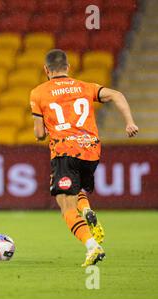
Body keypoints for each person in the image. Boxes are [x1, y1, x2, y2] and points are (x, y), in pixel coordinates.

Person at [30, 49, 139, 266]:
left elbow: (40, 134)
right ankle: (86, 208)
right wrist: (129, 122)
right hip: (91, 151)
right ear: (68, 67)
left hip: (64, 151)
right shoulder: (85, 87)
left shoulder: (38, 92)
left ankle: (93, 246)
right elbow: (117, 94)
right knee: (77, 189)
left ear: (46, 69)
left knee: (66, 206)